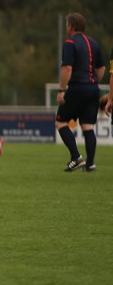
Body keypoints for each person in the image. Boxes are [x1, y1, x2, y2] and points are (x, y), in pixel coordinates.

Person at [55, 12, 106, 172]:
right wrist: (93, 82)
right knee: (87, 126)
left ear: (70, 27)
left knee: (61, 122)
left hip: (77, 87)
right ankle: (90, 163)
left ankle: (76, 157)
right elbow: (101, 67)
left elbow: (67, 68)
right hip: (93, 89)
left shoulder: (70, 43)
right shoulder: (94, 43)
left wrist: (62, 90)